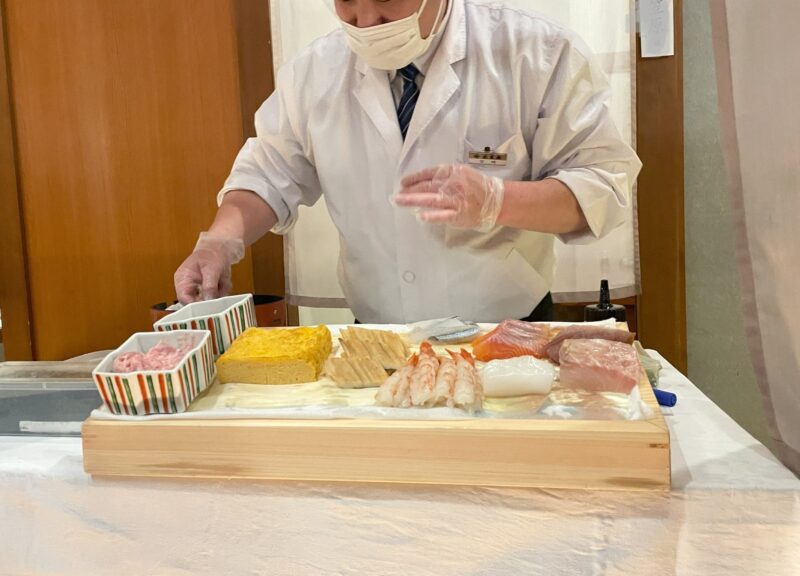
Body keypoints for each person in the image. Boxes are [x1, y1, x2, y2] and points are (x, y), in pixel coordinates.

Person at [174, 0, 641, 323]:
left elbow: (602, 184)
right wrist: (219, 242)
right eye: (347, 5)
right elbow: (268, 173)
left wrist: (500, 200)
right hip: (377, 336)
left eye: (388, 2)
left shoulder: (535, 53)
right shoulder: (314, 72)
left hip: (507, 330)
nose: (367, 22)